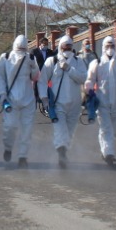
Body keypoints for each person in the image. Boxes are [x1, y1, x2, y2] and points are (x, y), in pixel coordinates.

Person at [41, 35, 86, 168]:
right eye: (64, 46)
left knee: (70, 131)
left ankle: (64, 151)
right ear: (60, 47)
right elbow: (42, 80)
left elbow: (83, 78)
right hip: (58, 103)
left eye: (69, 46)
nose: (67, 49)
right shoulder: (52, 61)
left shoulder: (79, 62)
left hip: (75, 103)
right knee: (60, 129)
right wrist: (44, 98)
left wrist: (69, 69)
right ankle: (61, 154)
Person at [0, 35, 40, 166]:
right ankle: (8, 147)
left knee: (27, 129)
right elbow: (0, 77)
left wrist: (34, 66)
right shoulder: (5, 57)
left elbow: (35, 77)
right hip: (11, 99)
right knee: (9, 127)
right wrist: (2, 94)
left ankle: (23, 156)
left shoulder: (31, 58)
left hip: (28, 99)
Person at [86, 34, 116, 166]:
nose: (110, 48)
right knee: (106, 128)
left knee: (114, 129)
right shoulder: (97, 63)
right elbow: (90, 79)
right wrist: (89, 90)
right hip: (102, 101)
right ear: (103, 47)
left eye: (112, 46)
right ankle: (109, 153)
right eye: (107, 46)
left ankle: (105, 148)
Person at [30, 35, 56, 103]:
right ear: (40, 44)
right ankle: (37, 98)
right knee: (37, 86)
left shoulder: (50, 52)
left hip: (47, 74)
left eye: (47, 44)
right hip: (38, 73)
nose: (46, 46)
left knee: (49, 86)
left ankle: (48, 98)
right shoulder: (34, 51)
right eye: (44, 44)